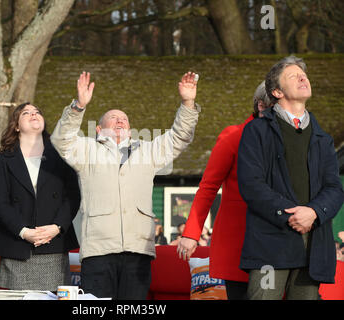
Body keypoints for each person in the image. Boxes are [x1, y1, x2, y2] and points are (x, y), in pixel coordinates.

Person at [51, 71, 201, 299]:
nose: (120, 120)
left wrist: (187, 102)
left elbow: (179, 137)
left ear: (130, 130)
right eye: (113, 117)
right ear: (99, 130)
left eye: (124, 118)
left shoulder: (148, 151)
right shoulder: (87, 150)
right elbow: (61, 139)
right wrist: (79, 106)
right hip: (98, 249)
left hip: (137, 249)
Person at [237, 56, 344, 300]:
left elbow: (334, 189)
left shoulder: (323, 138)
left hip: (313, 248)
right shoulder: (256, 131)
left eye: (303, 74)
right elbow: (252, 185)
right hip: (269, 245)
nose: (302, 77)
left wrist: (314, 213)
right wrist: (291, 215)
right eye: (293, 76)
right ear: (276, 91)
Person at [177, 81, 272, 300]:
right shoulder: (234, 136)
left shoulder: (292, 140)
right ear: (261, 106)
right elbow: (209, 185)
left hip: (277, 241)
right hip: (239, 240)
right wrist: (191, 232)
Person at [0, 102, 80, 291]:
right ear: (16, 126)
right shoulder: (5, 158)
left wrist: (57, 228)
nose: (33, 114)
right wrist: (23, 232)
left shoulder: (61, 154)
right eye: (26, 113)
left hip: (53, 244)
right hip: (17, 245)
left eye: (37, 112)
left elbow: (73, 196)